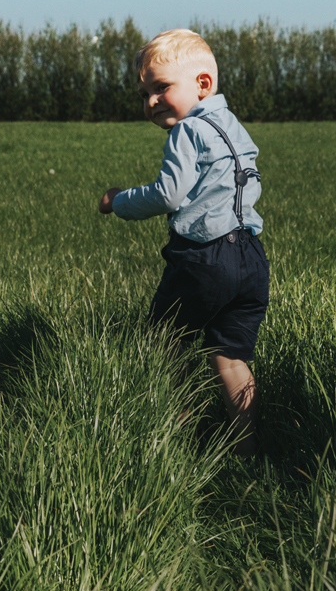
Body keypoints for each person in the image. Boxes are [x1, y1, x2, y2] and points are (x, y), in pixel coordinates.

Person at [98, 28, 268, 454]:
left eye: (161, 88)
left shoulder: (187, 132)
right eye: (145, 93)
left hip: (203, 259)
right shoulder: (232, 124)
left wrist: (119, 201)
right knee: (230, 357)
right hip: (250, 256)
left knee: (161, 347)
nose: (150, 101)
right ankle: (246, 446)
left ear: (203, 85)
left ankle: (175, 435)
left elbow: (168, 194)